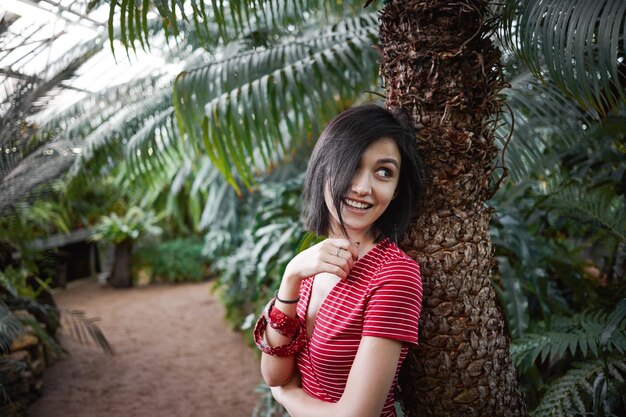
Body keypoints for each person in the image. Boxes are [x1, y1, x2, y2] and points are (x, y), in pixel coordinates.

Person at [253, 104, 425, 417]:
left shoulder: (394, 275)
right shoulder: (310, 263)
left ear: (397, 189)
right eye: (352, 164)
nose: (362, 187)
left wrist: (286, 396)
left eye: (383, 172)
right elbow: (274, 373)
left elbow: (354, 415)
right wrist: (291, 277)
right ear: (323, 168)